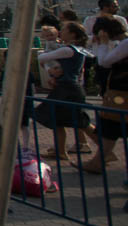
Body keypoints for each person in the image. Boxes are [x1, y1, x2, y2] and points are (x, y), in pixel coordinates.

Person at [34, 22, 93, 164]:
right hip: (65, 87)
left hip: (68, 89)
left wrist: (49, 66)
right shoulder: (76, 49)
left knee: (81, 122)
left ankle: (105, 148)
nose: (61, 31)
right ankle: (60, 151)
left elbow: (42, 57)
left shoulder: (68, 50)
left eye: (65, 30)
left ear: (73, 34)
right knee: (58, 120)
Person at [85, 16, 128, 173]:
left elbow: (104, 62)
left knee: (111, 127)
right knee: (111, 131)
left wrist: (103, 44)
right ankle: (98, 162)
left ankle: (98, 162)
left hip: (121, 95)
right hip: (120, 95)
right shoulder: (121, 43)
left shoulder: (125, 44)